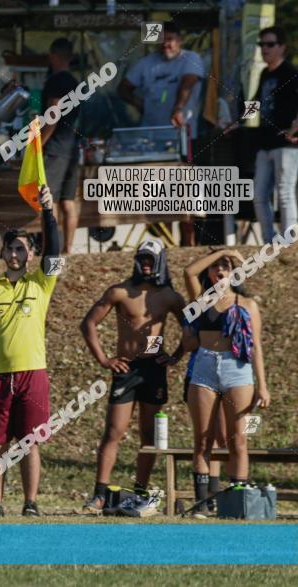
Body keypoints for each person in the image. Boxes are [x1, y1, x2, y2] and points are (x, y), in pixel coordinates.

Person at [78, 239, 186, 515]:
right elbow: (88, 323)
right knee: (114, 431)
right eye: (142, 258)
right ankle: (99, 495)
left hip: (154, 369)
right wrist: (104, 359)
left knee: (148, 435)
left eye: (151, 259)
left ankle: (140, 492)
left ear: (160, 261)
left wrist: (175, 356)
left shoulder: (169, 296)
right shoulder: (120, 291)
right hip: (126, 368)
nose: (146, 263)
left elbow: (192, 327)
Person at [0, 184, 58, 516]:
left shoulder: (42, 283)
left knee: (29, 444)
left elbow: (55, 251)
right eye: (10, 249)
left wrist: (49, 213)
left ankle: (30, 502)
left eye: (21, 249)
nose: (15, 254)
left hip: (32, 373)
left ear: (31, 254)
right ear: (3, 253)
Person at [182, 249, 270, 517]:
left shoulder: (246, 304)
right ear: (209, 272)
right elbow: (188, 271)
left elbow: (256, 348)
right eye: (216, 266)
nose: (220, 269)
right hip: (205, 367)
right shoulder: (203, 299)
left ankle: (238, 500)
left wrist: (262, 385)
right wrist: (224, 251)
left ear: (235, 272)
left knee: (238, 440)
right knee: (203, 440)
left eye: (227, 266)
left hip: (237, 369)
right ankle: (203, 503)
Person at [118, 22, 203, 246]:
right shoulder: (146, 64)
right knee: (161, 194)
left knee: (185, 192)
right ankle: (168, 244)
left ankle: (188, 243)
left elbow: (188, 84)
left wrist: (177, 109)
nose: (167, 43)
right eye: (163, 39)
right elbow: (123, 87)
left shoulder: (191, 58)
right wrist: (138, 103)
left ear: (180, 40)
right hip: (152, 138)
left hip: (182, 137)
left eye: (172, 39)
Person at [248, 26, 298, 244]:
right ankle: (269, 241)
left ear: (282, 47)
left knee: (285, 192)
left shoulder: (291, 72)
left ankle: (289, 240)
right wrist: (235, 120)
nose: (264, 49)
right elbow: (255, 102)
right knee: (259, 195)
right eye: (261, 44)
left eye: (269, 44)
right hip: (265, 142)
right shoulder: (264, 73)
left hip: (286, 144)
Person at [40, 38, 81, 255]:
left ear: (54, 56)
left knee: (50, 201)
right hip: (72, 147)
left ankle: (51, 248)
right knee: (68, 202)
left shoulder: (55, 81)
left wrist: (39, 143)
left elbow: (53, 115)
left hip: (56, 148)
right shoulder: (75, 82)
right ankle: (68, 248)